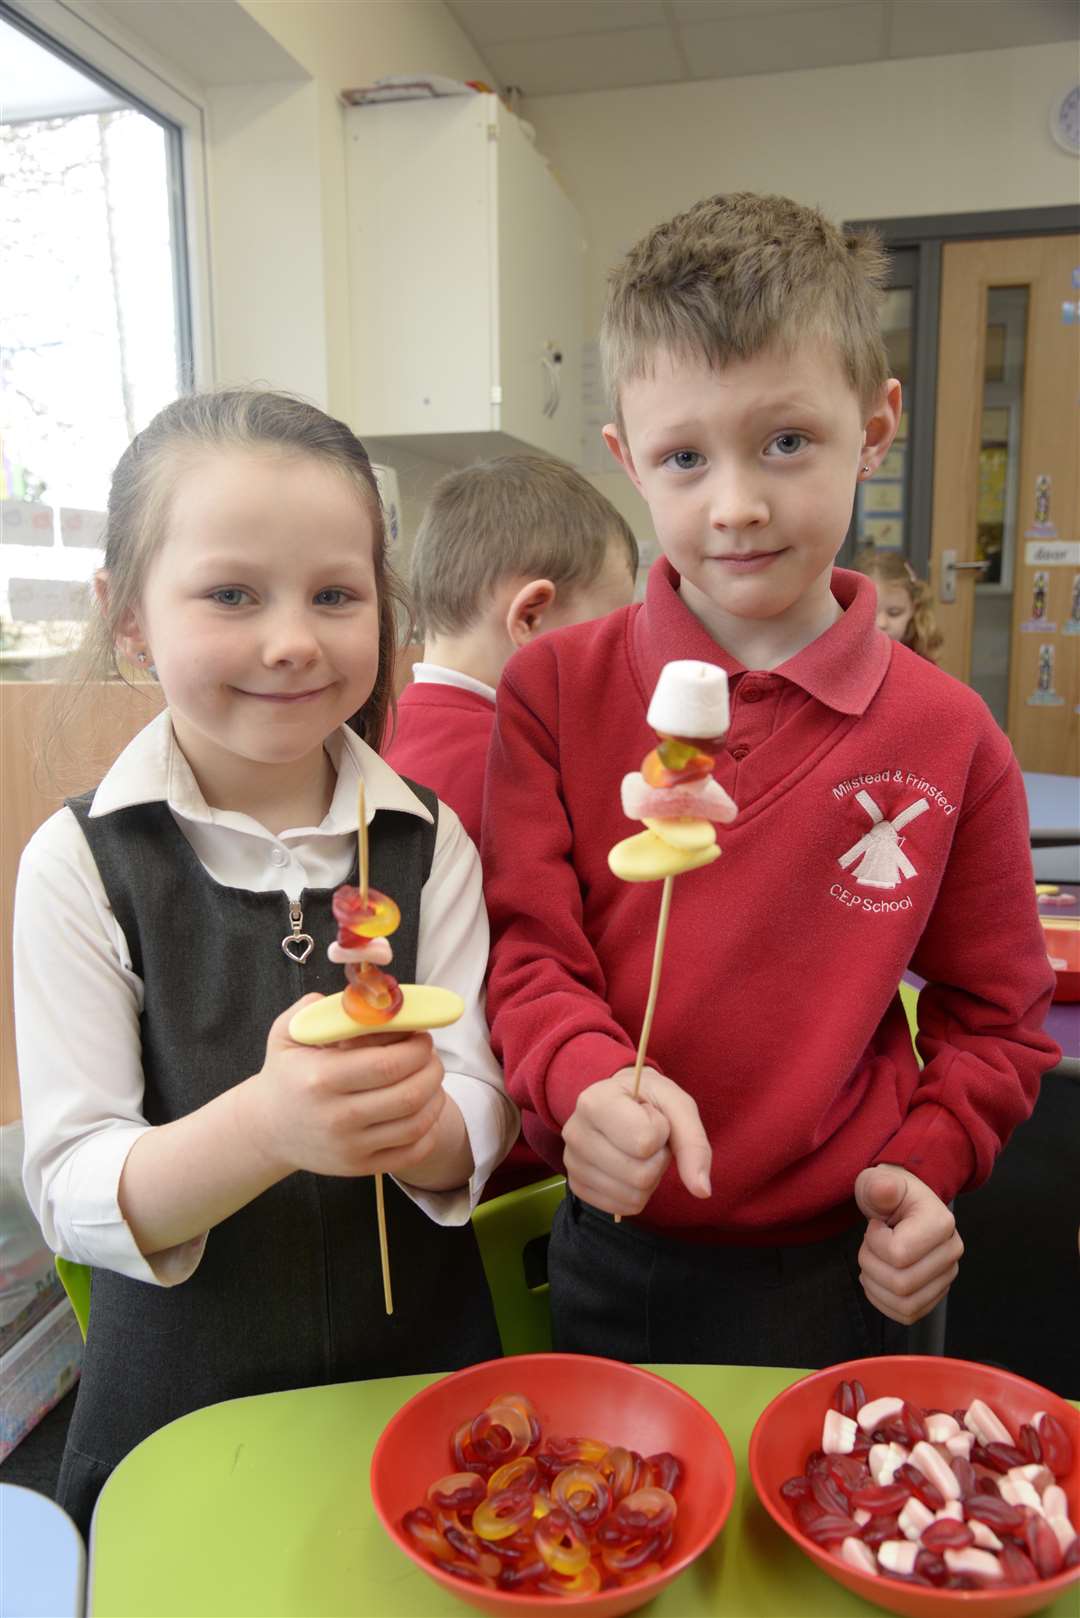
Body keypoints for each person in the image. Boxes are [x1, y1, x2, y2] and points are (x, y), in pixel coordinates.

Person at [481, 193, 1060, 1370]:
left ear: (876, 425)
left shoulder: (952, 734)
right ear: (624, 461)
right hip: (622, 1241)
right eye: (684, 457)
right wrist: (586, 1080)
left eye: (786, 442)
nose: (735, 503)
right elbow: (528, 953)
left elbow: (998, 1016)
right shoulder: (550, 693)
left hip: (848, 1256)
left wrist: (931, 1160)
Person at [13, 390, 517, 1533]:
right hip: (186, 1427)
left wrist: (432, 1129)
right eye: (232, 594)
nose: (293, 638)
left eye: (336, 595)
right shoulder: (80, 865)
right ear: (129, 615)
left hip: (422, 1396)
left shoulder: (429, 844)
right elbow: (73, 1184)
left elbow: (481, 1092)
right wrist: (266, 1129)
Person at [386, 453, 638, 848]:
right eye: (605, 634)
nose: (615, 661)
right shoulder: (515, 766)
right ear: (530, 617)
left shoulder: (375, 737)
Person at [854, 544, 943, 661]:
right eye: (869, 612)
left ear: (914, 608)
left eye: (894, 613)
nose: (881, 624)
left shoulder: (923, 663)